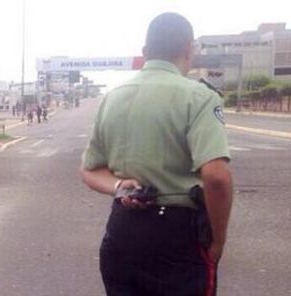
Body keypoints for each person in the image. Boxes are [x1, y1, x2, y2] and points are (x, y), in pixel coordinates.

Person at [80, 12, 233, 295]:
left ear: (145, 52)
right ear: (189, 49)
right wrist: (218, 240)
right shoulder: (199, 96)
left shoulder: (112, 98)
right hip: (178, 234)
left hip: (122, 230)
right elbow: (217, 177)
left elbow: (89, 169)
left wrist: (118, 186)